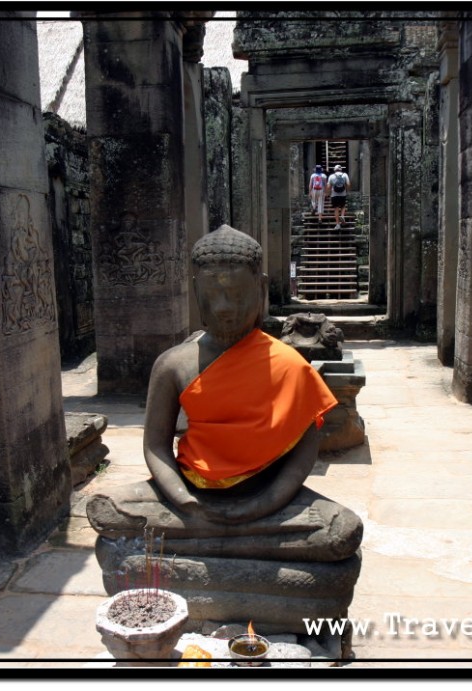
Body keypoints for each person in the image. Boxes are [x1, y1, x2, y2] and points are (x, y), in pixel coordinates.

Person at [141, 225, 338, 525]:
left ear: (260, 289)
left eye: (236, 294)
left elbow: (304, 451)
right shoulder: (172, 365)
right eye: (212, 294)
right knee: (112, 507)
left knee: (340, 526)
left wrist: (263, 504)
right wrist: (183, 498)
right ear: (196, 290)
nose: (224, 307)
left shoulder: (288, 363)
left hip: (268, 493)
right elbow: (155, 445)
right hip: (191, 488)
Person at [327, 164, 350, 230]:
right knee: (343, 206)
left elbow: (328, 186)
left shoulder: (331, 176)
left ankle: (337, 224)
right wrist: (347, 191)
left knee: (336, 209)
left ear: (334, 170)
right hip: (343, 194)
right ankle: (342, 216)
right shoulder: (345, 175)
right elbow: (348, 184)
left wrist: (328, 193)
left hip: (334, 195)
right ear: (341, 169)